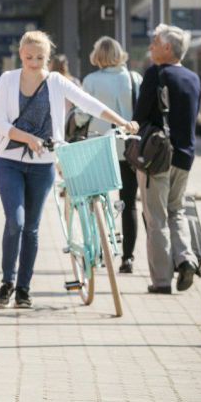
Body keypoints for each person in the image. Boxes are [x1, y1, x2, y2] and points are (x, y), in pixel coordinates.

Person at [0, 31, 138, 310]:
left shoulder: (56, 82)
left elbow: (89, 104)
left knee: (32, 228)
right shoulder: (7, 80)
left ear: (48, 57)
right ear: (20, 54)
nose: (34, 62)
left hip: (43, 165)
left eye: (40, 57)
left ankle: (23, 288)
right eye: (29, 56)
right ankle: (7, 282)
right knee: (16, 222)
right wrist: (28, 138)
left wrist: (123, 122)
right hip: (9, 161)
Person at [134, 24, 201, 294]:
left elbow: (139, 116)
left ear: (167, 48)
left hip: (157, 157)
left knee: (156, 218)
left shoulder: (155, 74)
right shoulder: (193, 78)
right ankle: (186, 259)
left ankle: (161, 281)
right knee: (177, 210)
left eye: (154, 43)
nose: (150, 47)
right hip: (185, 156)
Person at [80, 36, 143, 273]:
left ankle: (100, 250)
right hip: (129, 149)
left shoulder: (90, 80)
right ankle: (128, 258)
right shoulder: (134, 78)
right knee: (129, 203)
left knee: (97, 200)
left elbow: (82, 115)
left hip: (99, 148)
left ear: (98, 55)